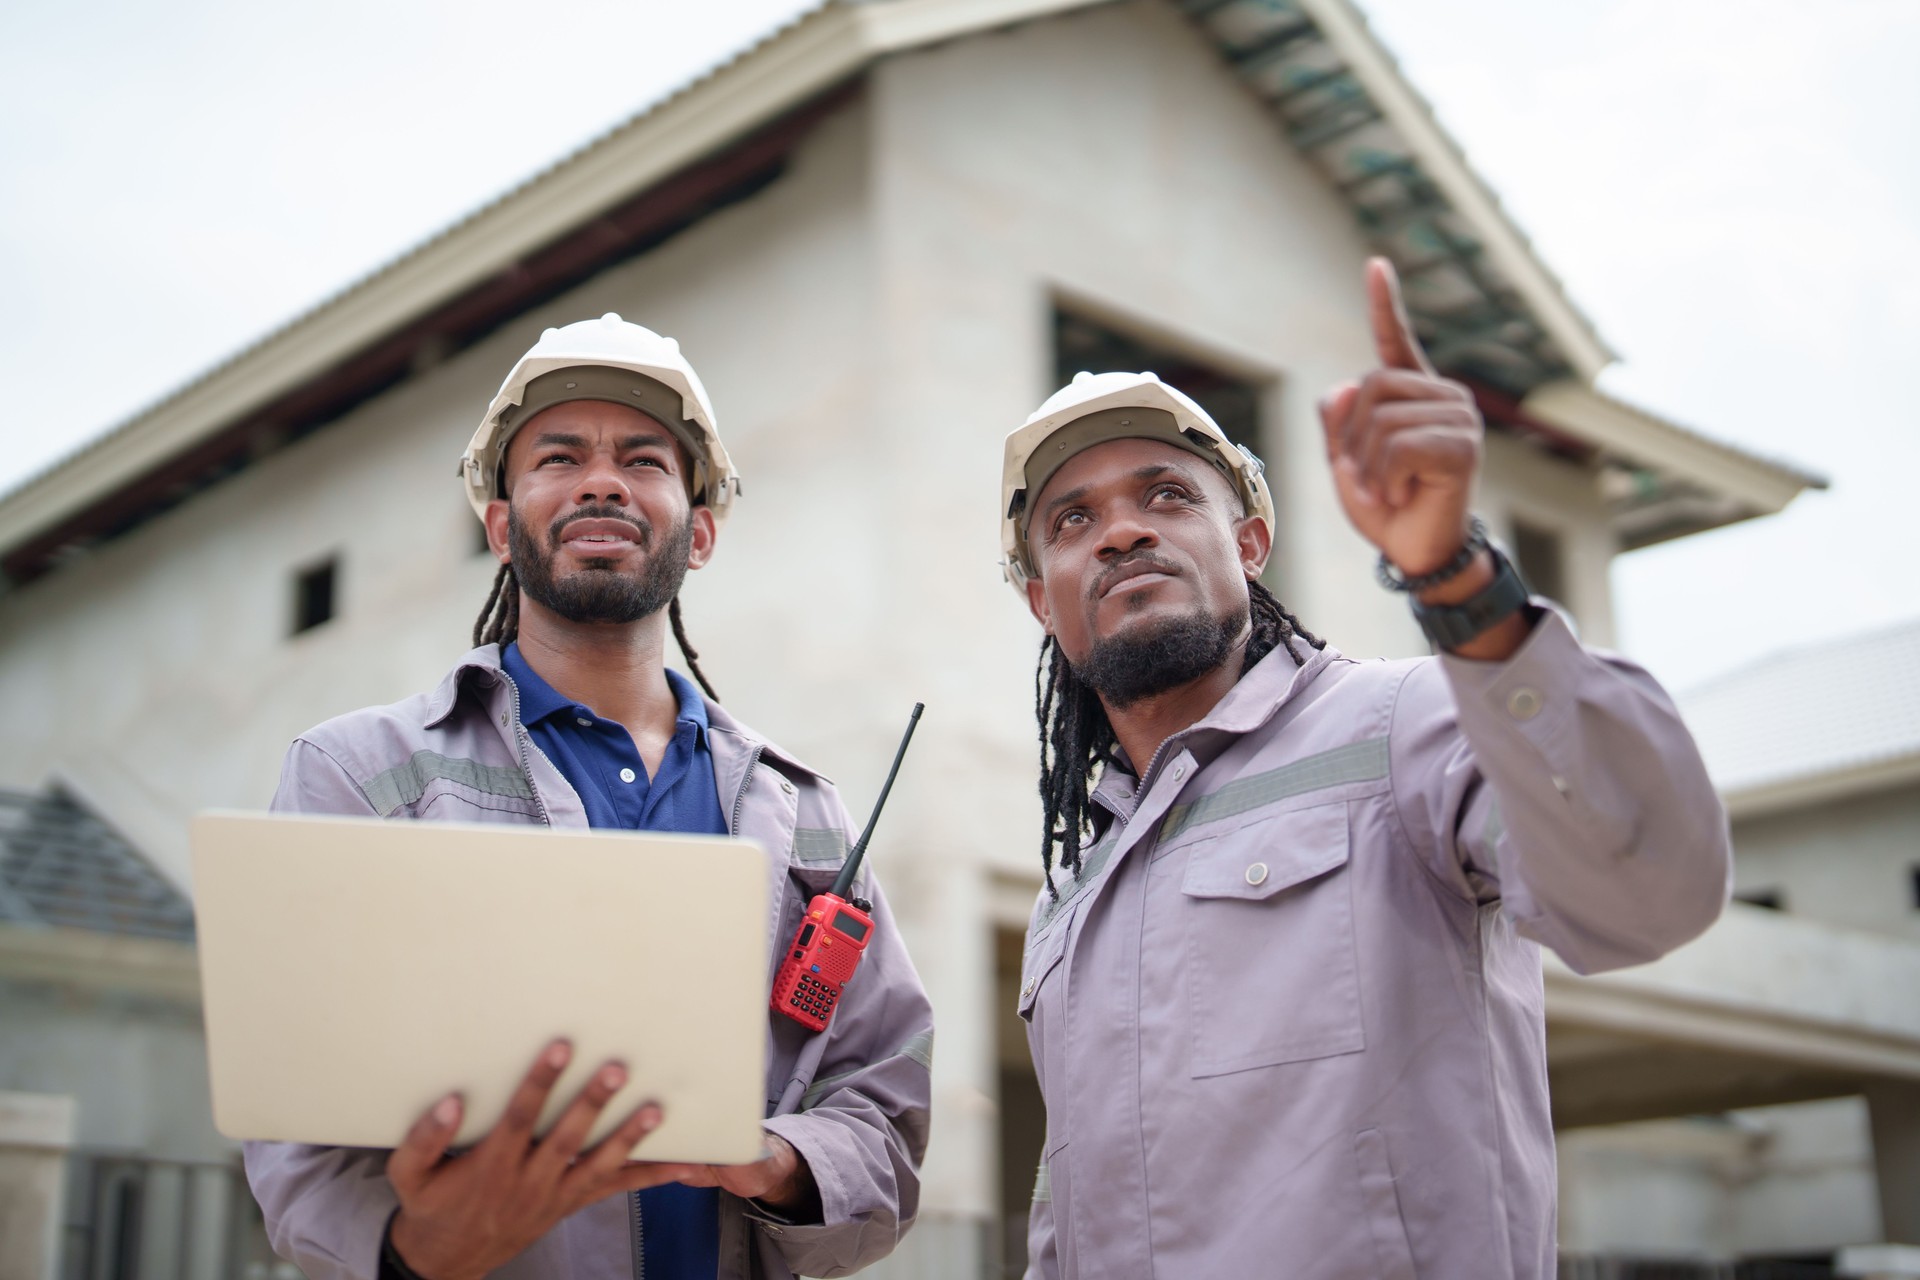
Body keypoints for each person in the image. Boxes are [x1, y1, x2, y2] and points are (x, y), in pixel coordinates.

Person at [1003, 261, 1731, 1279]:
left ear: (1250, 543)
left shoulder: (1405, 725)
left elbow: (1650, 888)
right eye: (1072, 521)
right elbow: (1065, 1221)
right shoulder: (1069, 895)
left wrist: (1461, 582)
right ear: (1045, 599)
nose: (1122, 529)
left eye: (1166, 495)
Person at [244, 314, 933, 1280]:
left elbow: (884, 1100)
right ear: (501, 525)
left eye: (643, 460)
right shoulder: (359, 774)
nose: (601, 480)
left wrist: (776, 1162)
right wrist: (416, 1251)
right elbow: (295, 1105)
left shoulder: (808, 814)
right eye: (559, 457)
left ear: (698, 533)